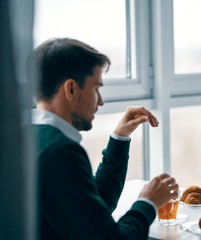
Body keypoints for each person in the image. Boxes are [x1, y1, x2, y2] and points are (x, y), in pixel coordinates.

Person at [28, 38, 179, 240]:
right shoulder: (59, 151)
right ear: (71, 89)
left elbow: (93, 208)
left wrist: (119, 138)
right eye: (96, 88)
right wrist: (148, 203)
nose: (100, 101)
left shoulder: (30, 138)